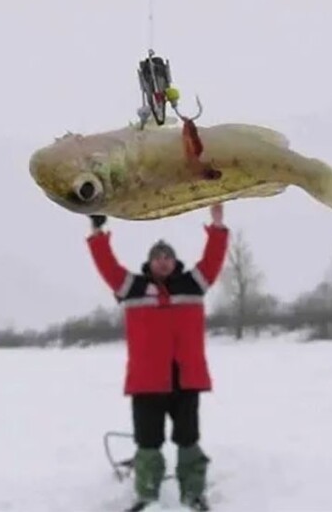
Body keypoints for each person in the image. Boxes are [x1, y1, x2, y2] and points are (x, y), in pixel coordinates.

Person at [86, 204, 229, 512]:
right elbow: (107, 266)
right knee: (148, 443)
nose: (163, 262)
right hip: (146, 382)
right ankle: (147, 495)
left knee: (188, 440)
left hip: (186, 379)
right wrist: (97, 232)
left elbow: (213, 260)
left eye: (167, 257)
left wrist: (217, 226)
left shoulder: (194, 283)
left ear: (174, 262)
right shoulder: (132, 288)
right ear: (149, 263)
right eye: (157, 257)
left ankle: (193, 492)